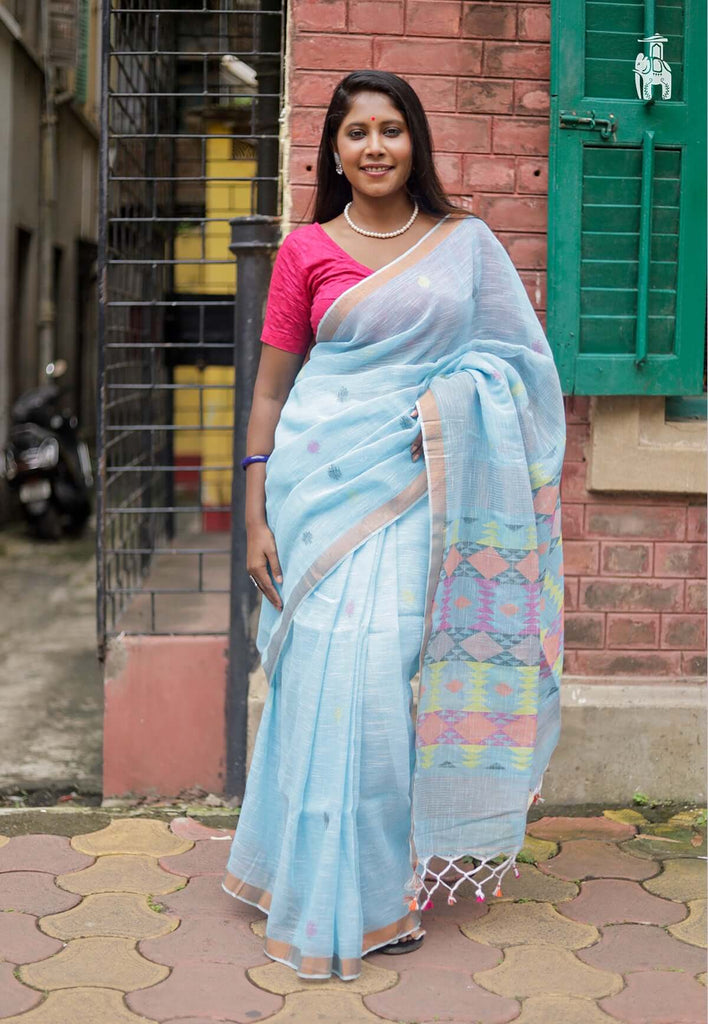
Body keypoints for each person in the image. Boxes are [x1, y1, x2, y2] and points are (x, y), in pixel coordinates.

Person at [222, 69, 565, 981]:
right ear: (332, 150)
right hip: (318, 487)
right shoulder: (305, 251)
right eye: (355, 133)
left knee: (378, 685)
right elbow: (271, 389)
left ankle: (373, 889)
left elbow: (520, 370)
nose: (374, 147)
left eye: (390, 129)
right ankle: (308, 877)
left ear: (415, 141)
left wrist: (447, 410)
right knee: (317, 681)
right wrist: (252, 507)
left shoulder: (467, 245)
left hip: (425, 490)